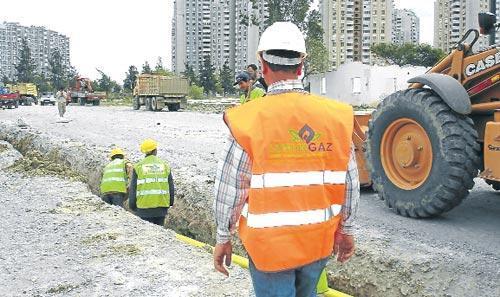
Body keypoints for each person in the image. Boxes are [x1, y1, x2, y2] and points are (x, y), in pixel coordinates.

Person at [213, 22, 360, 297]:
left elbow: (232, 187)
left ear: (262, 66)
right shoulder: (336, 117)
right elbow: (349, 183)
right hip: (317, 242)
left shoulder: (248, 119)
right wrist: (346, 229)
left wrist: (223, 236)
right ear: (301, 66)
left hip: (269, 248)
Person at [129, 139, 174, 226]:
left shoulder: (138, 167)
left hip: (143, 209)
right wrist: (170, 203)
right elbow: (170, 187)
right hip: (161, 208)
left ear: (145, 152)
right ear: (155, 150)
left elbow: (133, 188)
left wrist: (132, 205)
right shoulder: (165, 166)